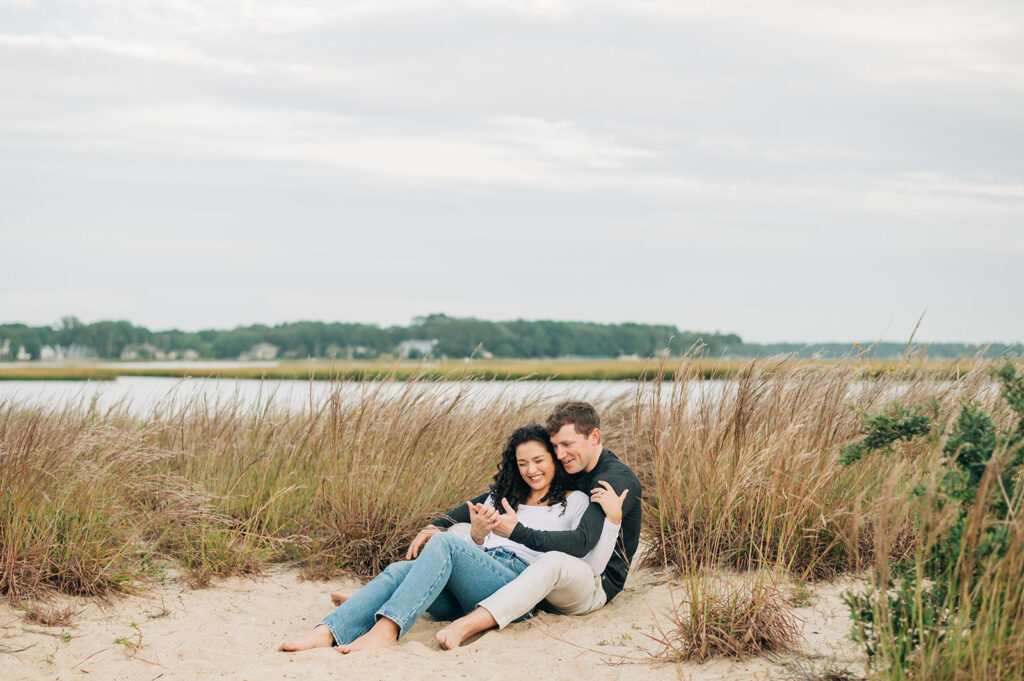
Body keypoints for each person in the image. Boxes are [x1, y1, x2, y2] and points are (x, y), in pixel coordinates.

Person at [277, 423, 625, 654]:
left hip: (516, 589)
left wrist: (611, 520)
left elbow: (580, 560)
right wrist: (457, 533)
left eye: (539, 460)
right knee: (401, 570)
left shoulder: (574, 502)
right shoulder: (503, 497)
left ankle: (386, 630)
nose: (531, 470)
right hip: (478, 580)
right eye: (522, 463)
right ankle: (328, 632)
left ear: (554, 460)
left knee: (445, 544)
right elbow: (457, 523)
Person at [428, 400, 643, 649]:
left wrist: (518, 532)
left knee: (551, 561)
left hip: (593, 580)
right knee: (458, 533)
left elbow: (581, 543)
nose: (560, 454)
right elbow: (494, 498)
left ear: (594, 436)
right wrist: (439, 524)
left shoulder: (612, 481)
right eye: (555, 446)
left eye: (567, 445)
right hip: (547, 579)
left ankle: (468, 624)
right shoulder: (573, 464)